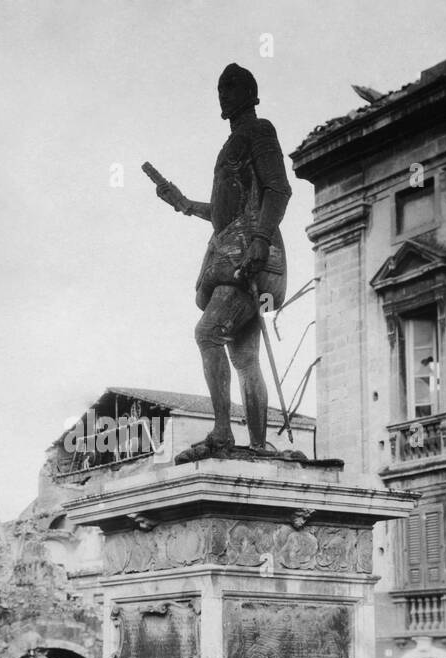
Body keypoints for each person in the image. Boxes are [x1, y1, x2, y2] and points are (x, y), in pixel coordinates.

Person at [153, 63, 292, 462]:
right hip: (234, 253)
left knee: (208, 332)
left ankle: (221, 433)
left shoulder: (259, 130)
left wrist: (261, 241)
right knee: (245, 355)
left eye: (231, 87)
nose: (224, 94)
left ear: (250, 93)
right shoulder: (234, 142)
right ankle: (259, 443)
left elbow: (278, 189)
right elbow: (224, 214)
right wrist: (184, 204)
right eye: (220, 88)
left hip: (248, 257)